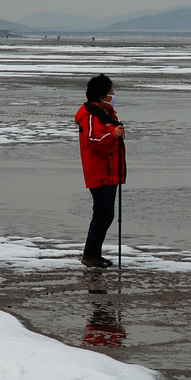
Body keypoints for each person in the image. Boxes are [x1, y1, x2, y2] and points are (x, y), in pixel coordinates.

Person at [75, 74, 126, 268]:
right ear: (101, 95)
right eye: (110, 92)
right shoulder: (90, 115)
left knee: (105, 214)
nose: (113, 94)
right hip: (99, 173)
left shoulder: (106, 113)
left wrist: (114, 133)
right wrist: (112, 134)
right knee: (103, 214)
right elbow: (93, 140)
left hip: (109, 172)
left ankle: (94, 254)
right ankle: (90, 255)